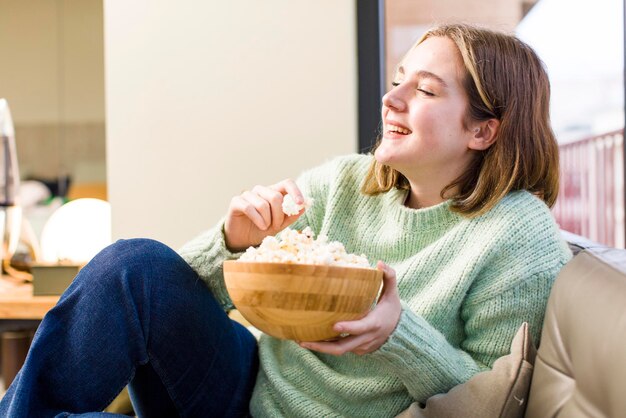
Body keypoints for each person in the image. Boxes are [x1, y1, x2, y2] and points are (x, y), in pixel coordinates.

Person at [0, 23, 572, 417]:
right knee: (135, 265)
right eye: (397, 78)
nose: (391, 99)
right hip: (245, 389)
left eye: (423, 90)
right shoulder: (345, 182)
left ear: (483, 130)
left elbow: (486, 400)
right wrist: (232, 242)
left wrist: (398, 336)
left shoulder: (518, 238)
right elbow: (169, 303)